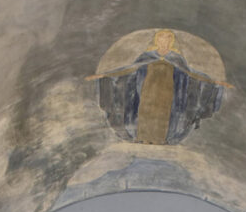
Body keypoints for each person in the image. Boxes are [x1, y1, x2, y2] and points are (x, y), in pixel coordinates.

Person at [89, 29, 230, 145]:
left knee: (165, 114)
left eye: (168, 39)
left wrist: (214, 83)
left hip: (168, 93)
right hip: (147, 91)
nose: (164, 41)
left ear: (172, 41)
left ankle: (160, 139)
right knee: (144, 112)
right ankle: (142, 138)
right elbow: (129, 70)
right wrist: (105, 76)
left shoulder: (177, 58)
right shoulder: (147, 56)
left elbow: (191, 74)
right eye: (161, 38)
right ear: (156, 40)